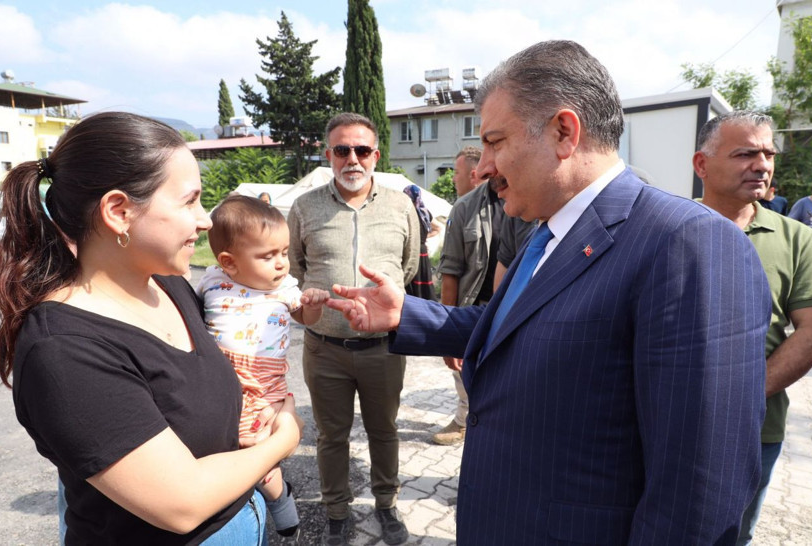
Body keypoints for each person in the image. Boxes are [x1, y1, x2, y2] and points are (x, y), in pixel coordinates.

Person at [325, 41, 771, 544]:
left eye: (495, 141)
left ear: (564, 132)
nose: (483, 168)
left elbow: (700, 488)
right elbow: (515, 327)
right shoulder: (549, 230)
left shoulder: (690, 244)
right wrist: (406, 314)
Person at [0, 112, 302, 544]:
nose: (207, 221)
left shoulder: (168, 284)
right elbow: (182, 503)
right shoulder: (64, 352)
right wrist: (282, 440)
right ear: (119, 211)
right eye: (190, 201)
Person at [287, 112, 418, 546]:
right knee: (331, 435)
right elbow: (294, 271)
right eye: (341, 150)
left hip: (383, 348)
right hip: (324, 347)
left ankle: (386, 503)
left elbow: (410, 266)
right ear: (328, 155)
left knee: (384, 430)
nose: (352, 159)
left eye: (362, 150)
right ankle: (337, 512)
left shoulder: (402, 206)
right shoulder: (305, 207)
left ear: (376, 155)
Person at [693, 111, 812, 545]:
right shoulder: (664, 227)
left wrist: (746, 393)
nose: (762, 164)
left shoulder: (798, 239)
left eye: (768, 154)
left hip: (753, 428)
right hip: (659, 420)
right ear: (701, 165)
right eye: (746, 153)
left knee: (732, 533)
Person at [196, 195, 331, 542]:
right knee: (225, 446)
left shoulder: (285, 289)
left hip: (263, 379)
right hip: (220, 377)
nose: (281, 264)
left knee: (253, 445)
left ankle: (281, 504)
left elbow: (305, 317)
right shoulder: (211, 281)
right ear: (229, 262)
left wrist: (313, 305)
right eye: (267, 256)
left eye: (284, 252)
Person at [432, 171, 533, 446]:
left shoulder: (536, 200)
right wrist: (447, 333)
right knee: (464, 375)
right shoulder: (465, 207)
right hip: (476, 309)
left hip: (521, 310)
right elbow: (450, 271)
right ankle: (465, 420)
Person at [402, 184, 441, 301]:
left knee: (412, 281)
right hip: (422, 250)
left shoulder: (406, 213)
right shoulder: (425, 212)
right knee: (423, 279)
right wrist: (424, 238)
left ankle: (414, 303)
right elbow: (438, 228)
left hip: (411, 251)